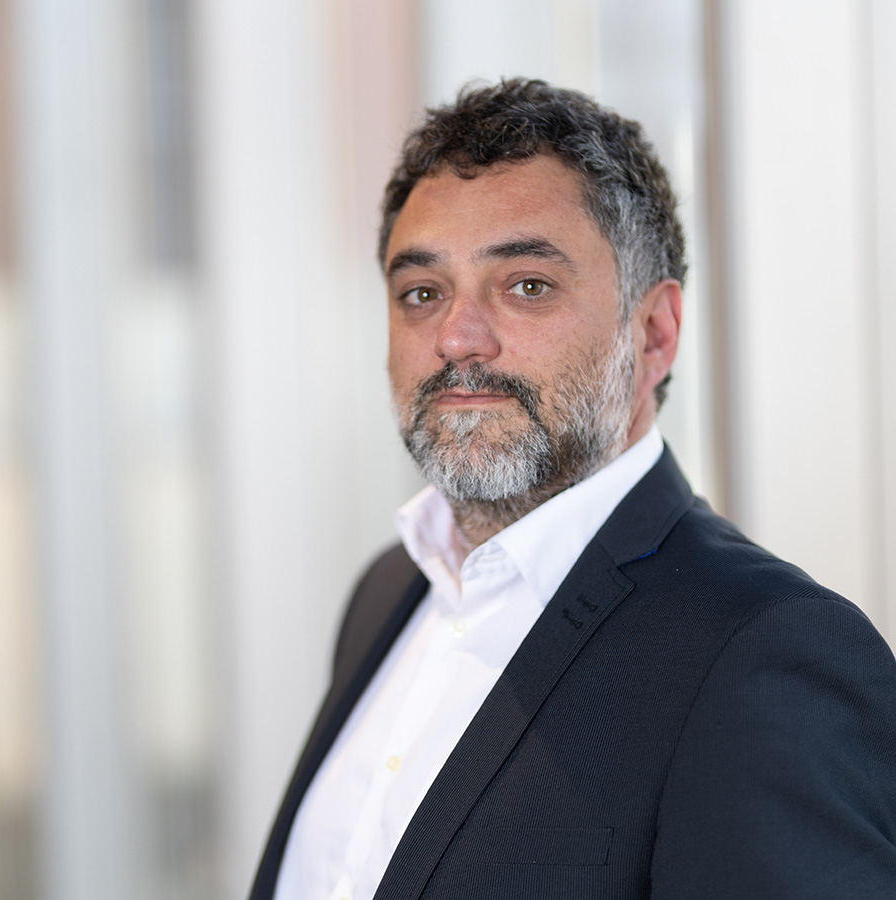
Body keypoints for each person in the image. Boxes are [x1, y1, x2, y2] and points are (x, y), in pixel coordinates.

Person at [250, 79, 896, 900]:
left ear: (653, 334)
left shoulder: (762, 653)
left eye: (526, 284)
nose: (456, 337)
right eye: (422, 293)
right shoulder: (385, 594)